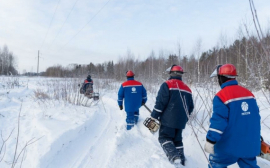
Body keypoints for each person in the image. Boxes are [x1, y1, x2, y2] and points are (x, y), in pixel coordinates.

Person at [205, 64, 261, 168]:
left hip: (229, 147)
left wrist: (210, 140)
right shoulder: (249, 94)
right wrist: (256, 138)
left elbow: (218, 122)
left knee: (216, 163)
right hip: (249, 145)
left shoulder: (221, 96)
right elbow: (255, 119)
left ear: (221, 78)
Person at [149, 65, 194, 167]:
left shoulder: (167, 85)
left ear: (170, 74)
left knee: (164, 137)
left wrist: (154, 117)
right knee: (177, 140)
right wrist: (184, 119)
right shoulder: (188, 89)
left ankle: (174, 156)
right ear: (181, 75)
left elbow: (160, 103)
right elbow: (190, 107)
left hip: (167, 121)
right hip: (181, 121)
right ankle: (182, 160)